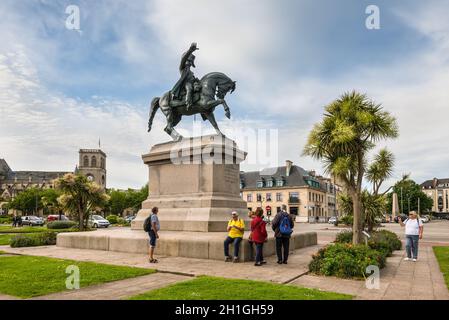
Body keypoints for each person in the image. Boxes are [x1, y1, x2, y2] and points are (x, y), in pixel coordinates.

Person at [171, 42, 199, 110]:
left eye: (190, 62)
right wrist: (190, 50)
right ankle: (188, 103)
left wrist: (196, 80)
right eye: (188, 61)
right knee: (189, 89)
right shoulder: (182, 68)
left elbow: (192, 79)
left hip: (192, 83)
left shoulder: (191, 72)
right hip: (185, 84)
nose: (189, 63)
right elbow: (184, 59)